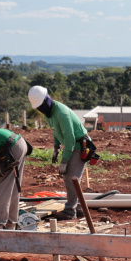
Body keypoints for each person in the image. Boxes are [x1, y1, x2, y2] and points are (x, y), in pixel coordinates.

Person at [28, 85, 94, 221]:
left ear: (46, 100)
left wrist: (65, 160)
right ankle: (79, 209)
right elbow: (55, 130)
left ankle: (70, 211)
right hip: (72, 144)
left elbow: (70, 139)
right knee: (71, 179)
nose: (40, 109)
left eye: (41, 106)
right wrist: (56, 147)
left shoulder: (61, 113)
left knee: (71, 178)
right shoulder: (49, 113)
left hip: (80, 145)